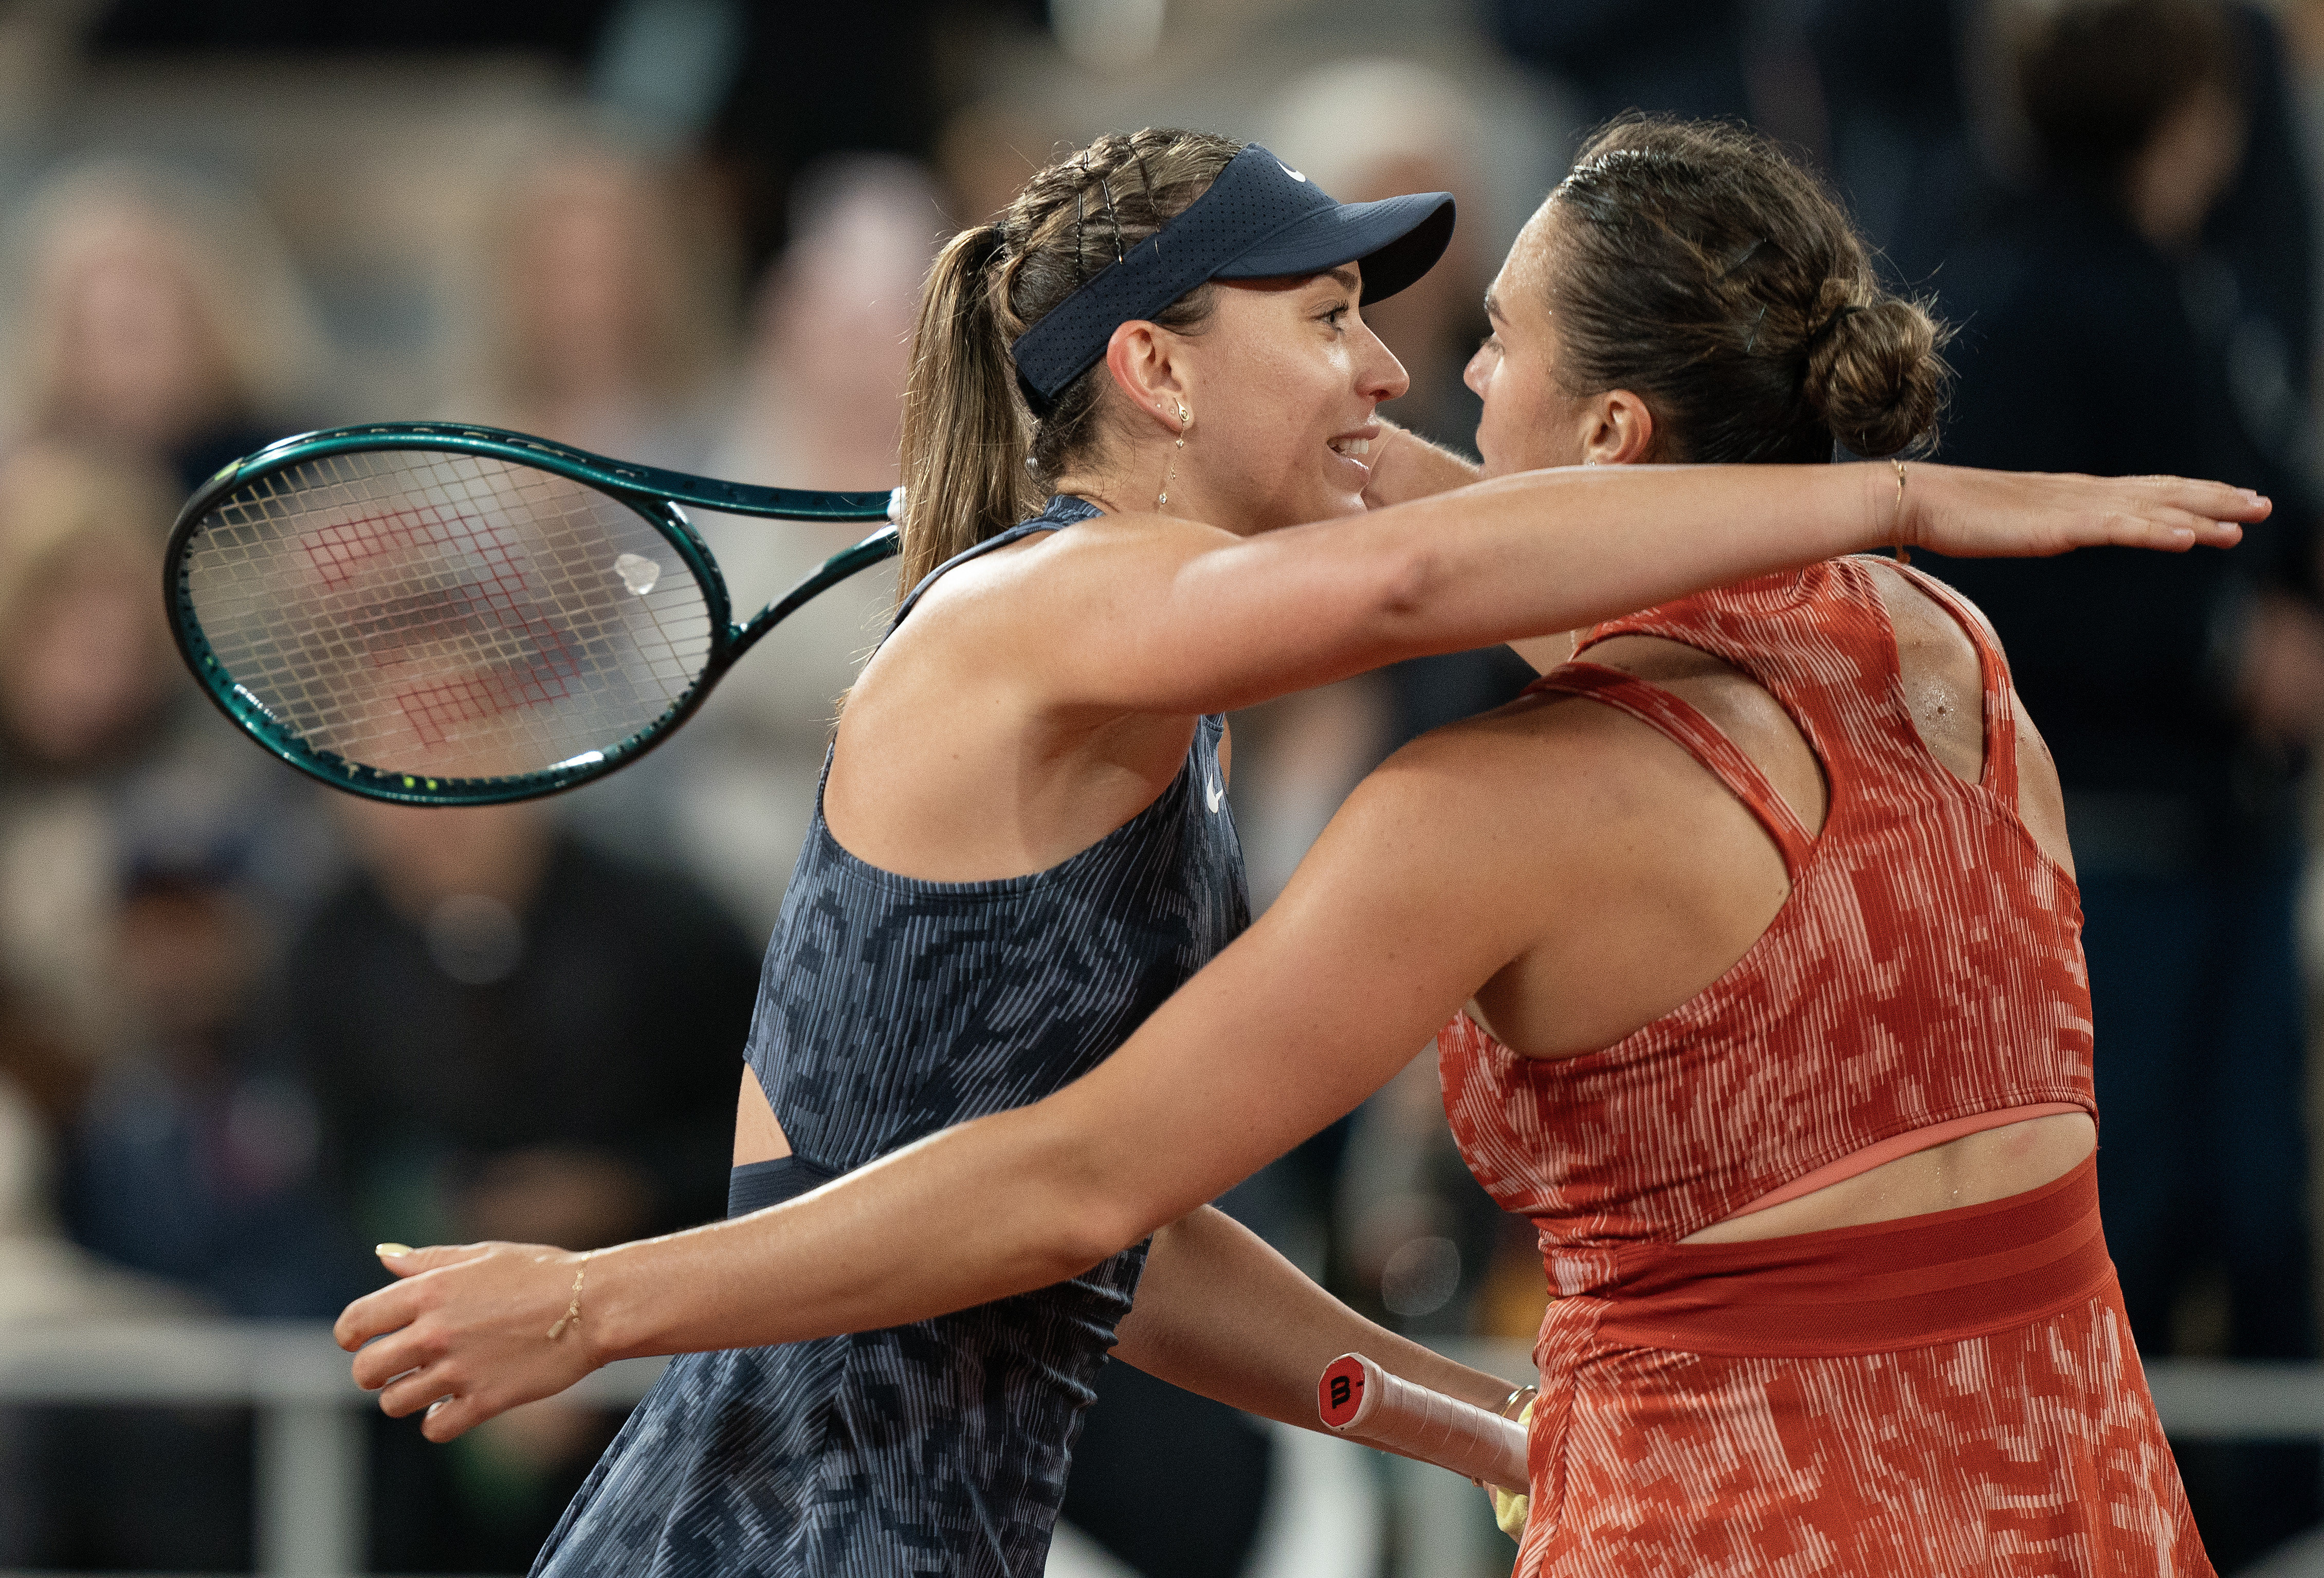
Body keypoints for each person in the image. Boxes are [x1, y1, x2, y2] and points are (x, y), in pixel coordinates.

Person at [335, 125, 2257, 1577]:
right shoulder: (1054, 616)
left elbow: (1109, 1227)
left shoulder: (1184, 654)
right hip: (788, 1528)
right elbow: (1426, 564)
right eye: (1333, 320)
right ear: (1160, 374)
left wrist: (1491, 1434)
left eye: (1434, 333)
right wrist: (1916, 496)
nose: (1398, 375)